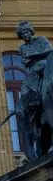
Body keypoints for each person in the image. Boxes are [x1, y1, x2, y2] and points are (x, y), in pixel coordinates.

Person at [16, 21, 53, 158]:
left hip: (47, 65)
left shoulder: (41, 39)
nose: (25, 35)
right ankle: (28, 107)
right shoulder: (22, 48)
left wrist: (33, 55)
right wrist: (34, 56)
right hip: (34, 71)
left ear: (31, 32)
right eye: (23, 34)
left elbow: (49, 50)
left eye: (27, 32)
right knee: (26, 90)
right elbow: (25, 62)